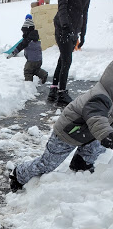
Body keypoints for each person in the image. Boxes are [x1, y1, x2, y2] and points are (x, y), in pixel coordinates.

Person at [10, 60, 113, 192]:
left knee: (95, 150)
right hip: (68, 132)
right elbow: (96, 118)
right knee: (47, 164)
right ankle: (19, 174)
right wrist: (107, 135)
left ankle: (80, 165)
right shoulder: (100, 96)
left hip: (88, 134)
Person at [47, 0, 93, 107]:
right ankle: (62, 93)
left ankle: (54, 89)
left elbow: (85, 10)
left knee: (63, 58)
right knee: (67, 59)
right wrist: (66, 27)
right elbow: (62, 6)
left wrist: (82, 33)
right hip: (62, 27)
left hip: (75, 28)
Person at [7, 14, 48, 85]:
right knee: (35, 69)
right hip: (39, 59)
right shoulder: (35, 37)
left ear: (26, 31)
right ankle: (43, 74)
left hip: (32, 60)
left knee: (27, 71)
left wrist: (13, 53)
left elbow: (20, 46)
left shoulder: (27, 40)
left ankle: (29, 85)